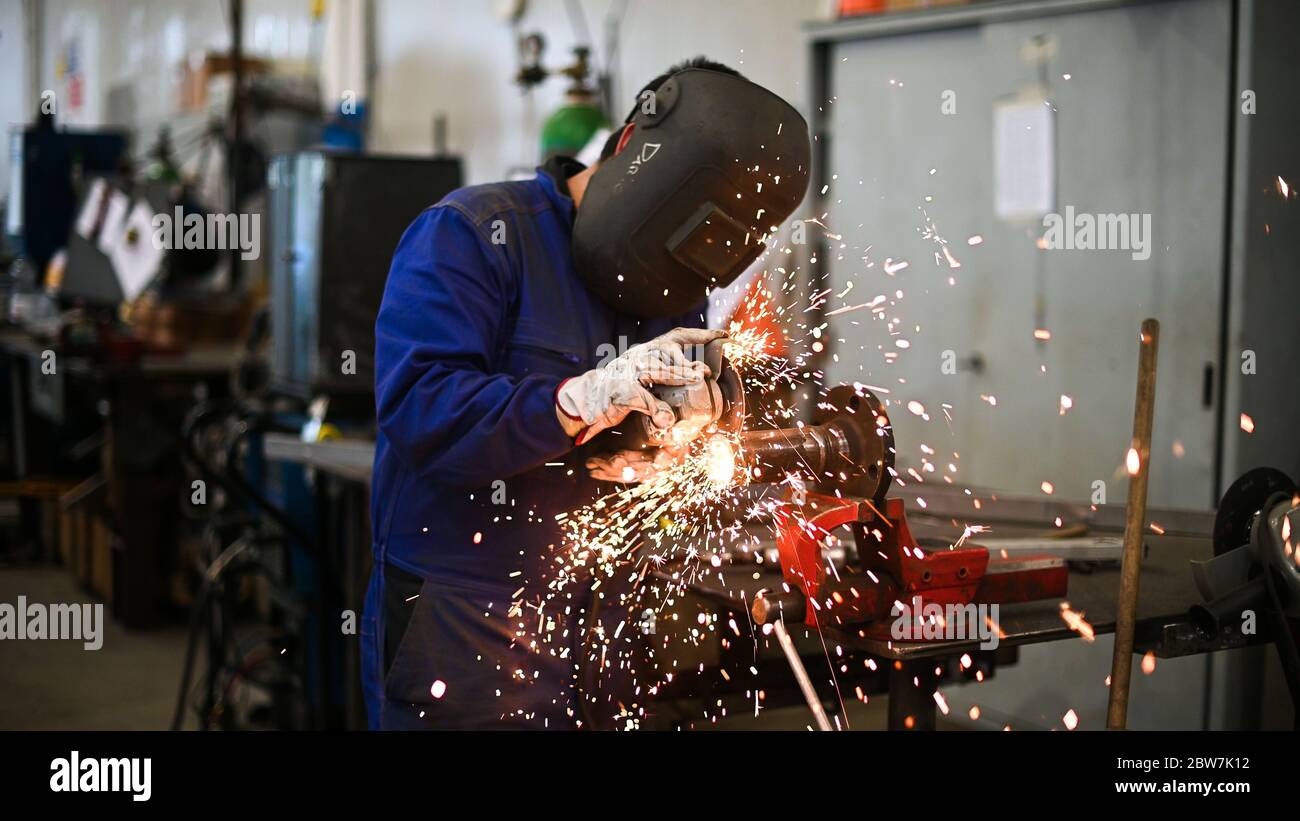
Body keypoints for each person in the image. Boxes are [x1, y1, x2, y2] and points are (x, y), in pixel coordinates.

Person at [363, 57, 810, 729]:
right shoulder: (474, 234)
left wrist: (674, 443)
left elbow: (647, 428)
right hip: (463, 630)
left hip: (600, 632)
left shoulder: (667, 287)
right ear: (632, 145)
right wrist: (580, 402)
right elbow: (422, 410)